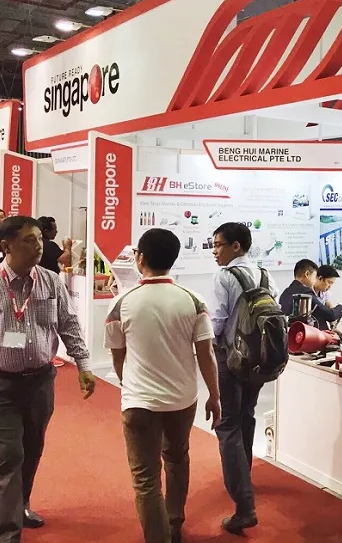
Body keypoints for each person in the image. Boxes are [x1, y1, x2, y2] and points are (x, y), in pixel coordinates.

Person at [104, 228, 221, 543]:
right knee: (177, 458)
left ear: (140, 259)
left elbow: (118, 356)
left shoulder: (121, 303)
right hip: (182, 400)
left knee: (146, 479)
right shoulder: (193, 301)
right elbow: (206, 354)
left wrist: (129, 384)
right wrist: (215, 396)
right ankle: (174, 523)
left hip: (138, 402)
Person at [0, 216, 95, 541]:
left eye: (40, 238)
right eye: (29, 240)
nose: (38, 246)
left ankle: (21, 504)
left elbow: (69, 324)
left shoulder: (51, 280)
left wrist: (83, 364)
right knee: (9, 454)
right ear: (6, 246)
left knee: (32, 447)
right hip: (3, 385)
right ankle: (8, 532)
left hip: (41, 381)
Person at [210, 222, 278, 534]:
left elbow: (218, 321)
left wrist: (207, 349)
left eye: (219, 245)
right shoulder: (265, 274)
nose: (215, 251)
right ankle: (244, 475)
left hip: (231, 358)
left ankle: (244, 505)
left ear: (236, 246)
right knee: (246, 415)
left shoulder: (224, 277)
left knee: (227, 425)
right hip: (259, 360)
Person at [279, 259, 342, 330]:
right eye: (315, 277)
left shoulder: (286, 292)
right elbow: (331, 315)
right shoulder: (306, 293)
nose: (315, 280)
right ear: (307, 274)